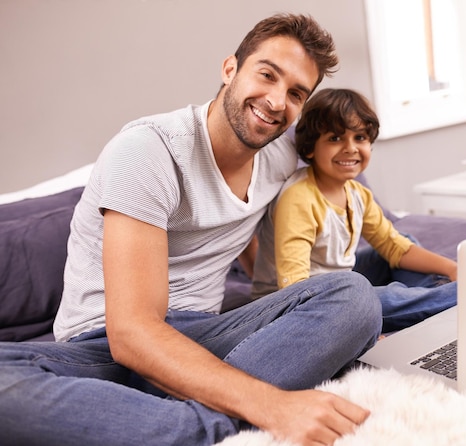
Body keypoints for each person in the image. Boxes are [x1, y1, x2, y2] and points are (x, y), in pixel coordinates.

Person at [0, 15, 382, 446]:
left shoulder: (282, 154)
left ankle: (156, 421)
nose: (277, 101)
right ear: (230, 69)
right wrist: (272, 405)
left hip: (207, 337)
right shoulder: (147, 151)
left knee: (353, 295)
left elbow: (340, 175)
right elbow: (131, 333)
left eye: (296, 93)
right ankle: (216, 425)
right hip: (104, 345)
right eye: (267, 74)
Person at [252, 88, 457, 333]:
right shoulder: (299, 198)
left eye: (360, 138)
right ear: (310, 148)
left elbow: (393, 246)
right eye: (335, 139)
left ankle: (436, 292)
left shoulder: (357, 193)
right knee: (373, 296)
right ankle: (447, 296)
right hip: (298, 301)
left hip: (338, 282)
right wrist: (354, 328)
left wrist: (452, 267)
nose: (350, 148)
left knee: (403, 244)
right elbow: (295, 287)